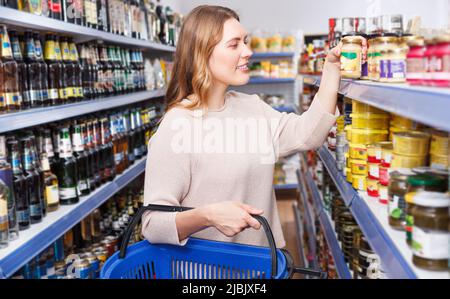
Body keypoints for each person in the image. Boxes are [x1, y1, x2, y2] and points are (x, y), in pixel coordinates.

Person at [141, 5, 367, 248]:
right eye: (234, 44)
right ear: (201, 53)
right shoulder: (178, 124)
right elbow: (153, 224)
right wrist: (207, 216)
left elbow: (308, 134)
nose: (248, 51)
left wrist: (331, 68)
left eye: (246, 41)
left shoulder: (251, 107)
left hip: (263, 263)